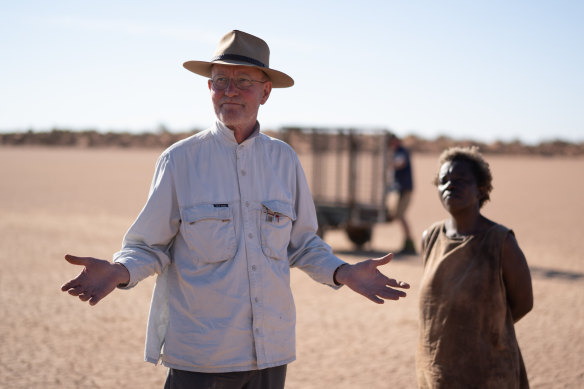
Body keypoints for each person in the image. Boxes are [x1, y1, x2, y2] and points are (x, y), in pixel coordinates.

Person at [60, 30, 410, 389]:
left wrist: (343, 272)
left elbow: (303, 244)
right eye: (219, 81)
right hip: (201, 357)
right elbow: (149, 245)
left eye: (242, 80)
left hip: (270, 354)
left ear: (265, 92)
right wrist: (119, 270)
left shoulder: (284, 160)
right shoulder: (180, 161)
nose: (229, 90)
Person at [416, 146, 533, 388]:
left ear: (481, 189)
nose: (450, 185)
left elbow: (523, 303)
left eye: (460, 180)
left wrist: (486, 328)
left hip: (488, 371)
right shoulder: (431, 238)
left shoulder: (501, 242)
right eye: (443, 180)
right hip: (438, 370)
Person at [386, 134, 416, 254]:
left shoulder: (401, 151)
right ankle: (408, 242)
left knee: (400, 215)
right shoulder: (397, 151)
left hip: (405, 189)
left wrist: (389, 163)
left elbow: (400, 163)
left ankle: (409, 243)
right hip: (400, 189)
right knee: (397, 214)